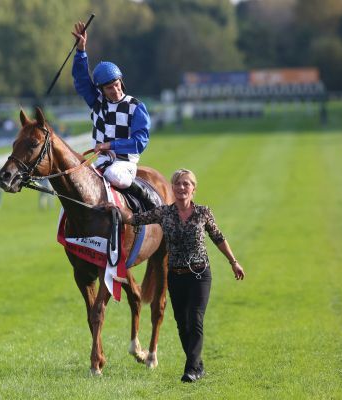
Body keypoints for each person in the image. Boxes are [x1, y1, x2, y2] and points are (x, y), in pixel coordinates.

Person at [107, 169, 245, 383]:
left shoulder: (203, 213)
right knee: (182, 323)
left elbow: (218, 237)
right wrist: (114, 208)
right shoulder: (164, 213)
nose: (182, 188)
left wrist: (233, 262)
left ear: (193, 189)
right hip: (176, 275)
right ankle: (198, 365)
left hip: (199, 274)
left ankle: (190, 369)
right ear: (172, 188)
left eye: (186, 184)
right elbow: (135, 219)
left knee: (195, 319)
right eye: (178, 184)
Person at [71, 20, 157, 209]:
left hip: (124, 164)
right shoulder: (97, 101)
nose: (115, 90)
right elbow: (81, 80)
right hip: (100, 162)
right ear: (100, 89)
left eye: (117, 85)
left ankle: (149, 199)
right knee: (75, 188)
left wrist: (109, 145)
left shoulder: (136, 106)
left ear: (121, 82)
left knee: (114, 176)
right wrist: (81, 51)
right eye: (109, 88)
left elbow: (140, 143)